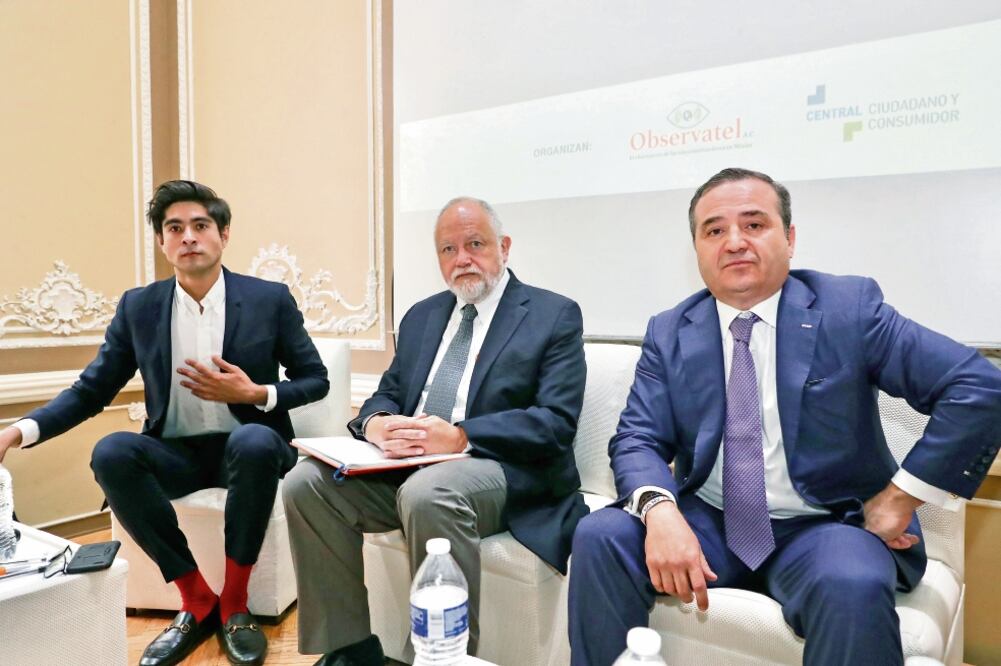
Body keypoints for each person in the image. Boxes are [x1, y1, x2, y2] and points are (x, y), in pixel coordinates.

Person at [568, 168, 1001, 666]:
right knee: (600, 535)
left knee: (852, 580)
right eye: (714, 230)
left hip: (824, 526)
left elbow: (979, 387)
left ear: (790, 239)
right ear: (697, 250)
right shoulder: (671, 331)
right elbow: (638, 438)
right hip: (710, 521)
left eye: (754, 225)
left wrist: (900, 498)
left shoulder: (848, 310)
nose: (734, 242)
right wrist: (659, 512)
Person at [0, 180, 330, 666]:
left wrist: (257, 394)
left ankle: (235, 603)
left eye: (201, 225)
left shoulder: (268, 299)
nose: (188, 236)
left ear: (224, 235)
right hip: (177, 454)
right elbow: (91, 391)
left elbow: (315, 379)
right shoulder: (140, 307)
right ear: (162, 242)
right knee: (112, 451)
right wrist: (16, 431)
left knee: (256, 440)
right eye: (175, 228)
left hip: (252, 450)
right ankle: (197, 598)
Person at [283, 196, 588, 665]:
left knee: (429, 491)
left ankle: (437, 658)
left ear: (504, 247)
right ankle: (349, 648)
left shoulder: (553, 315)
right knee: (306, 484)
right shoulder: (422, 316)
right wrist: (378, 424)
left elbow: (555, 422)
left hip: (500, 471)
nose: (462, 258)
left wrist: (463, 436)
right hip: (410, 466)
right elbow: (386, 393)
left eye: (475, 244)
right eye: (448, 249)